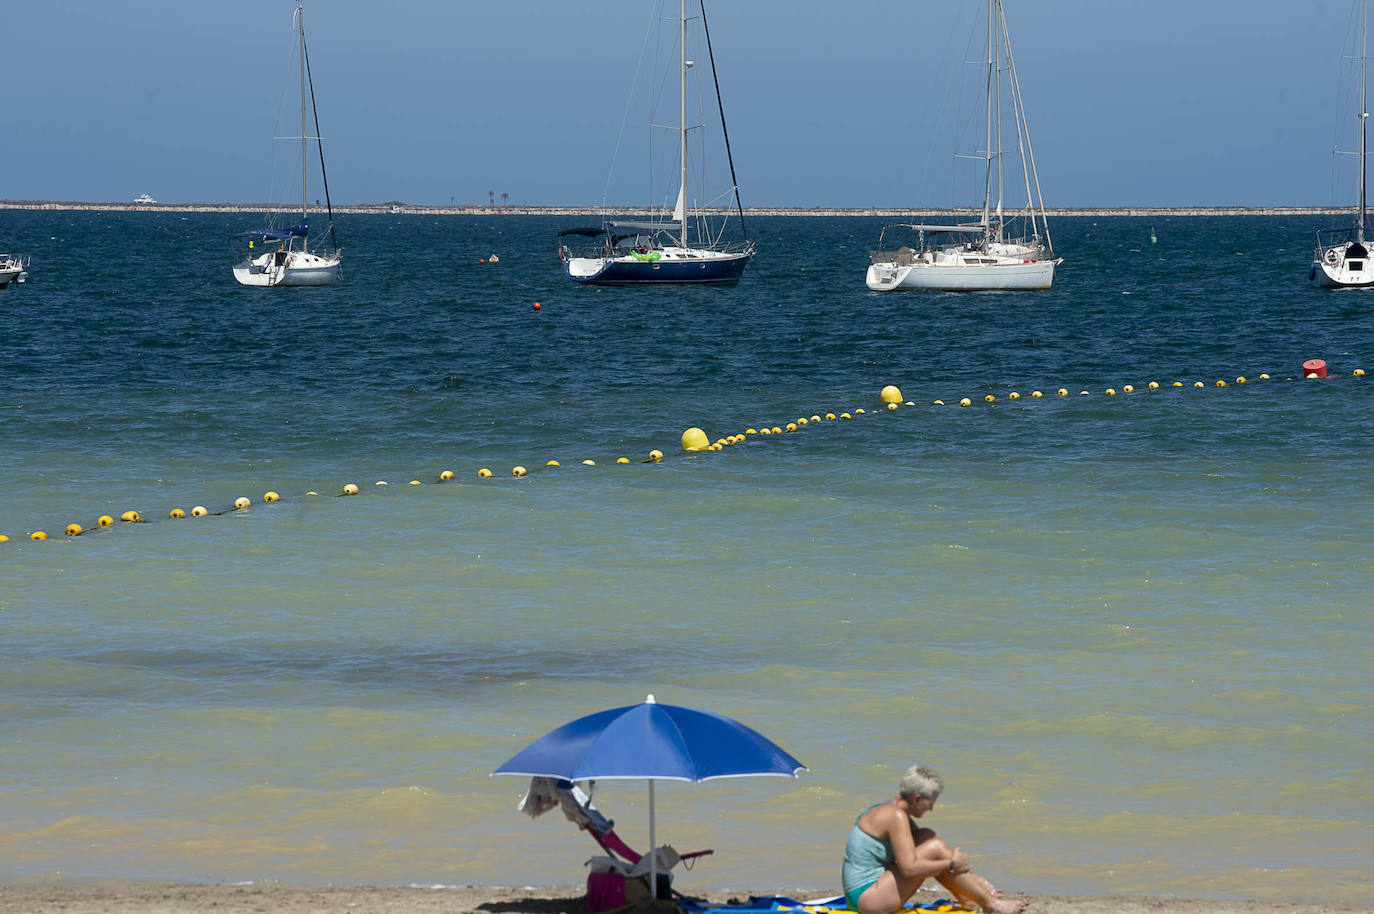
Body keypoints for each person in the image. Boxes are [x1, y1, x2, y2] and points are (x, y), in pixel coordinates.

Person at [841, 765, 1027, 914]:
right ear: (917, 798)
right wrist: (952, 864)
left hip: (869, 892)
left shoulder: (892, 809)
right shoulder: (894, 816)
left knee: (926, 836)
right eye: (930, 803)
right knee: (934, 849)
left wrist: (974, 878)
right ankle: (992, 905)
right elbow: (909, 869)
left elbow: (924, 849)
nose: (930, 809)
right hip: (865, 899)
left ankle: (968, 897)